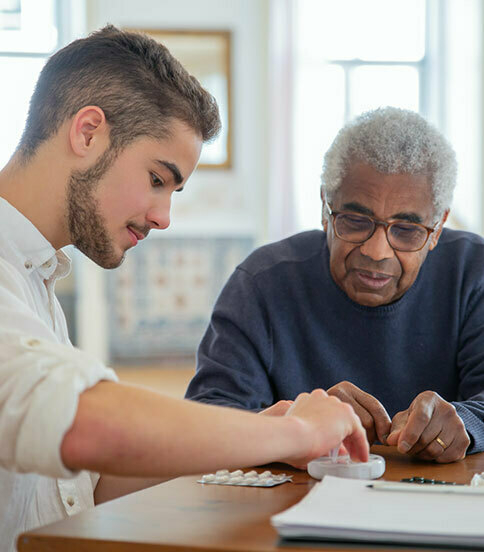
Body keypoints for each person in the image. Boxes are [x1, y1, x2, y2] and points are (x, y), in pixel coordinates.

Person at [0, 26, 369, 552]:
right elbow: (83, 424)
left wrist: (252, 435)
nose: (163, 217)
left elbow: (86, 484)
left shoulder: (33, 275)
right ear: (87, 133)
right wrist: (296, 434)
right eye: (157, 178)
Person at [186, 106, 484, 465]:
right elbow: (208, 421)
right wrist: (300, 423)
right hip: (286, 508)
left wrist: (466, 423)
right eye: (355, 221)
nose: (376, 252)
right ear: (325, 209)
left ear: (437, 228)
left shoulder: (473, 274)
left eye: (406, 230)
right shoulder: (262, 284)